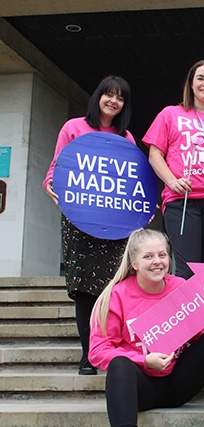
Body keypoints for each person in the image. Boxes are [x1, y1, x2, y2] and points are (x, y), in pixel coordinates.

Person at [89, 228, 204, 427]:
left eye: (162, 255)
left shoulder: (181, 286)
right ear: (134, 263)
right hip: (138, 388)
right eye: (148, 256)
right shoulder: (116, 296)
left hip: (178, 383)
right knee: (119, 364)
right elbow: (98, 351)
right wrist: (144, 360)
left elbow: (203, 327)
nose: (157, 261)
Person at [43, 75, 134, 376]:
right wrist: (50, 183)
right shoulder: (74, 127)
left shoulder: (127, 138)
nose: (113, 101)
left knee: (115, 288)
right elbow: (58, 166)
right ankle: (89, 355)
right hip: (80, 221)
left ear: (124, 104)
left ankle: (111, 350)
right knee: (84, 290)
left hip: (116, 226)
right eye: (108, 94)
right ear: (97, 97)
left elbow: (133, 181)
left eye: (119, 97)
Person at [143, 59, 204, 279]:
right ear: (191, 83)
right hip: (183, 201)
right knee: (187, 270)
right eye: (200, 78)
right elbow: (154, 154)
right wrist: (171, 181)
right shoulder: (170, 114)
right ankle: (189, 315)